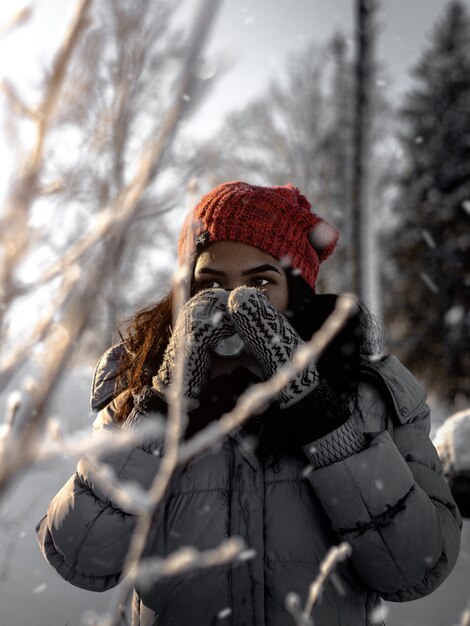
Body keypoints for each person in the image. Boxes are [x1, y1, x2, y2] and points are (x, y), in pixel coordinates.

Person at [36, 181, 462, 626]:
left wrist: (326, 424)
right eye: (210, 284)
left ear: (296, 294)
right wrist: (161, 412)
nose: (232, 305)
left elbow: (415, 567)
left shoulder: (370, 397)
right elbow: (80, 557)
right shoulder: (135, 397)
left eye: (261, 282)